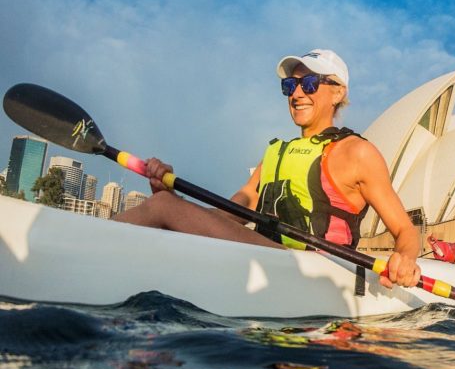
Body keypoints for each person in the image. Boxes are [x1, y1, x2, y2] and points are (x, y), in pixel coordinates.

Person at [115, 49, 420, 289]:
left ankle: (90, 240)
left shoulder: (357, 152)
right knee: (167, 205)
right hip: (265, 258)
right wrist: (173, 200)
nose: (297, 94)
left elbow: (405, 230)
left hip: (311, 271)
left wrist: (405, 259)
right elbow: (227, 214)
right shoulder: (274, 154)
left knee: (165, 207)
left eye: (310, 84)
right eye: (290, 85)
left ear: (338, 93)